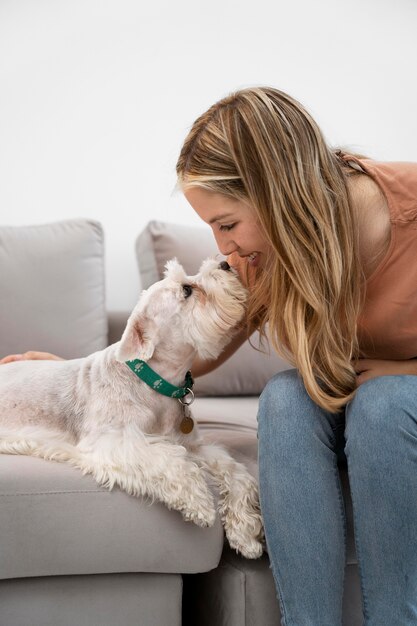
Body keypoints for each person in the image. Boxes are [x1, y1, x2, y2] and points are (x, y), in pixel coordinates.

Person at [2, 86, 417, 625]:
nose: (223, 248)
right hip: (338, 394)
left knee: (384, 404)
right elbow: (193, 344)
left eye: (226, 224)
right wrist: (79, 371)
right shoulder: (264, 252)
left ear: (279, 194)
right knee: (286, 397)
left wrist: (402, 370)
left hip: (398, 404)